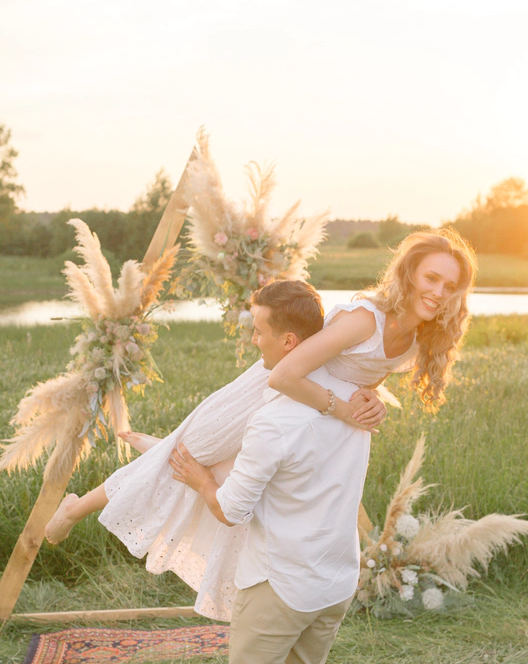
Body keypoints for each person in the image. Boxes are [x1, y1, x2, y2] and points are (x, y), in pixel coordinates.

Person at [45, 229, 476, 622]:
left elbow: (359, 378)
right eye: (431, 278)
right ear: (408, 275)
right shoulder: (366, 318)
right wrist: (343, 410)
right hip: (259, 397)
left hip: (302, 415)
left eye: (450, 285)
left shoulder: (416, 338)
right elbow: (283, 375)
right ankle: (73, 508)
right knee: (177, 458)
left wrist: (372, 401)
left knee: (228, 483)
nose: (439, 292)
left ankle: (244, 592)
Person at [168, 281, 372, 664]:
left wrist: (199, 479)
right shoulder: (354, 399)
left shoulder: (275, 420)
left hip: (281, 583)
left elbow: (231, 510)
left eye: (258, 330)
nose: (252, 340)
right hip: (336, 578)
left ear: (288, 341)